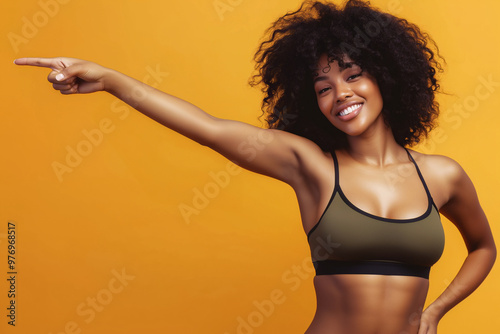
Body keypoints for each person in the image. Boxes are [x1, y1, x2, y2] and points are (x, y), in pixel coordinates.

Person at [14, 0, 496, 333]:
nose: (341, 94)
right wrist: (112, 80)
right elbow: (208, 126)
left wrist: (435, 313)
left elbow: (483, 248)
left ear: (387, 76)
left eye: (353, 75)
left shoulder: (442, 176)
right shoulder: (309, 165)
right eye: (323, 86)